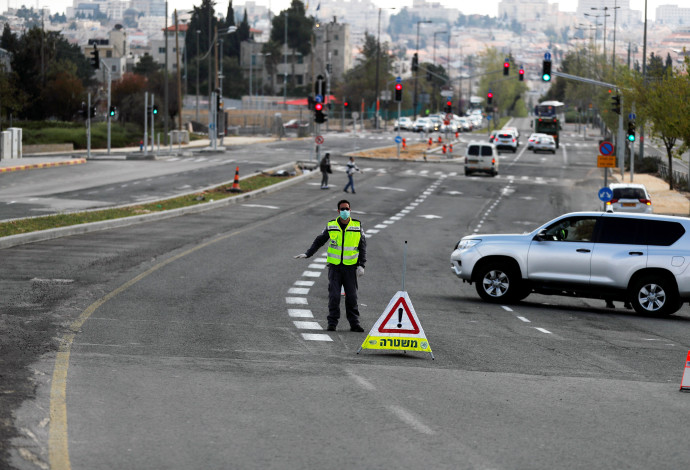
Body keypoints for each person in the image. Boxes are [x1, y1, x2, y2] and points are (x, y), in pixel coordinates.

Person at [294, 199, 367, 332]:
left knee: (351, 297)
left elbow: (362, 247)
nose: (345, 211)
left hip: (350, 268)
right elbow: (319, 241)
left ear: (350, 210)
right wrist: (308, 253)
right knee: (334, 296)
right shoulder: (332, 225)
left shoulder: (357, 226)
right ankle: (332, 323)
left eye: (347, 209)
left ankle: (354, 323)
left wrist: (362, 265)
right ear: (338, 211)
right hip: (335, 268)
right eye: (342, 209)